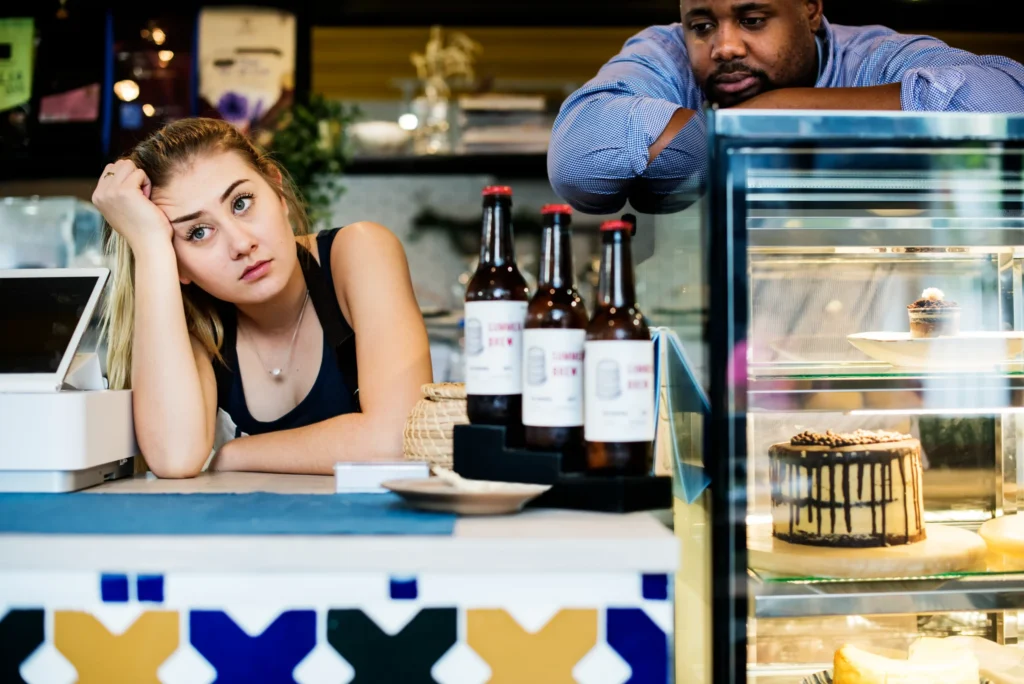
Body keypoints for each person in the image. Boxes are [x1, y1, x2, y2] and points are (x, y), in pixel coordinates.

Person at [92, 118, 432, 478]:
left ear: (277, 189)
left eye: (241, 203)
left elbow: (399, 441)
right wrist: (150, 247)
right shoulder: (195, 325)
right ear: (178, 265)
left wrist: (231, 454)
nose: (241, 244)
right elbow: (175, 458)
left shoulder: (360, 251)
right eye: (198, 232)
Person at [548, 0, 1024, 214]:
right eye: (702, 27)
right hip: (726, 337)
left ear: (810, 10)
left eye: (753, 20)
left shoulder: (874, 59)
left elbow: (1006, 100)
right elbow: (579, 163)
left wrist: (766, 114)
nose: (725, 47)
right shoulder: (665, 53)